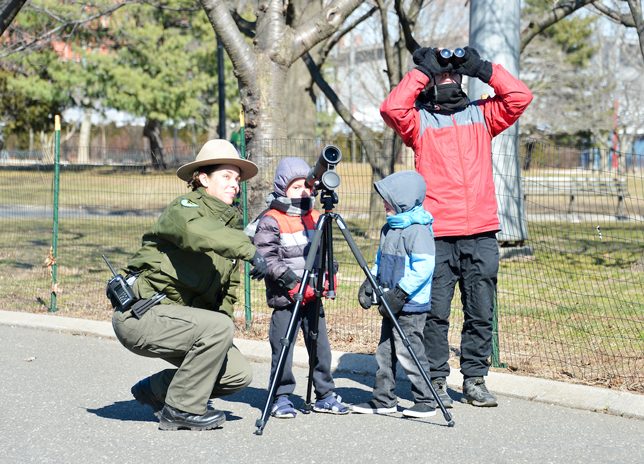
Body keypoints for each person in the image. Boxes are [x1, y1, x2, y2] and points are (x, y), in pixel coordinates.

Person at [380, 46, 533, 407]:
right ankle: (434, 380)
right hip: (436, 233)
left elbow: (519, 96)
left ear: (463, 78)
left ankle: (475, 380)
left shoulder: (483, 115)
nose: (448, 79)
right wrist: (423, 71)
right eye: (441, 75)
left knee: (481, 311)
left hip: (481, 230)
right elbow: (391, 109)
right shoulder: (418, 122)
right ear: (431, 82)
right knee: (435, 313)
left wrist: (482, 68)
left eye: (453, 74)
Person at [110, 139, 269, 431]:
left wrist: (218, 342)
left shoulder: (226, 230)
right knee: (219, 329)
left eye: (237, 178)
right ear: (203, 178)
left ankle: (158, 391)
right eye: (226, 176)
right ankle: (182, 410)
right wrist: (250, 250)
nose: (235, 184)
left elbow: (223, 299)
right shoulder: (184, 210)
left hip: (177, 320)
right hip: (141, 315)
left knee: (236, 373)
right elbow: (198, 231)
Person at [250, 157, 349, 418]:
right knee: (283, 347)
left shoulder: (317, 217)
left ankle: (325, 395)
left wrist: (330, 267)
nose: (303, 192)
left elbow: (324, 252)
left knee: (321, 349)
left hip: (314, 295)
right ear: (283, 189)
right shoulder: (272, 218)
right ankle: (280, 397)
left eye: (307, 186)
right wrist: (292, 281)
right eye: (296, 187)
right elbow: (267, 256)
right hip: (287, 297)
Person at [352, 170, 437, 418]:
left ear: (403, 200)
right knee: (385, 352)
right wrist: (371, 282)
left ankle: (426, 400)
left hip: (409, 304)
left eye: (388, 199)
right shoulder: (389, 229)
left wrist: (400, 293)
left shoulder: (418, 231)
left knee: (409, 350)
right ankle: (384, 399)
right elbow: (381, 261)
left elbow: (424, 268)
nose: (383, 203)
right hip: (389, 302)